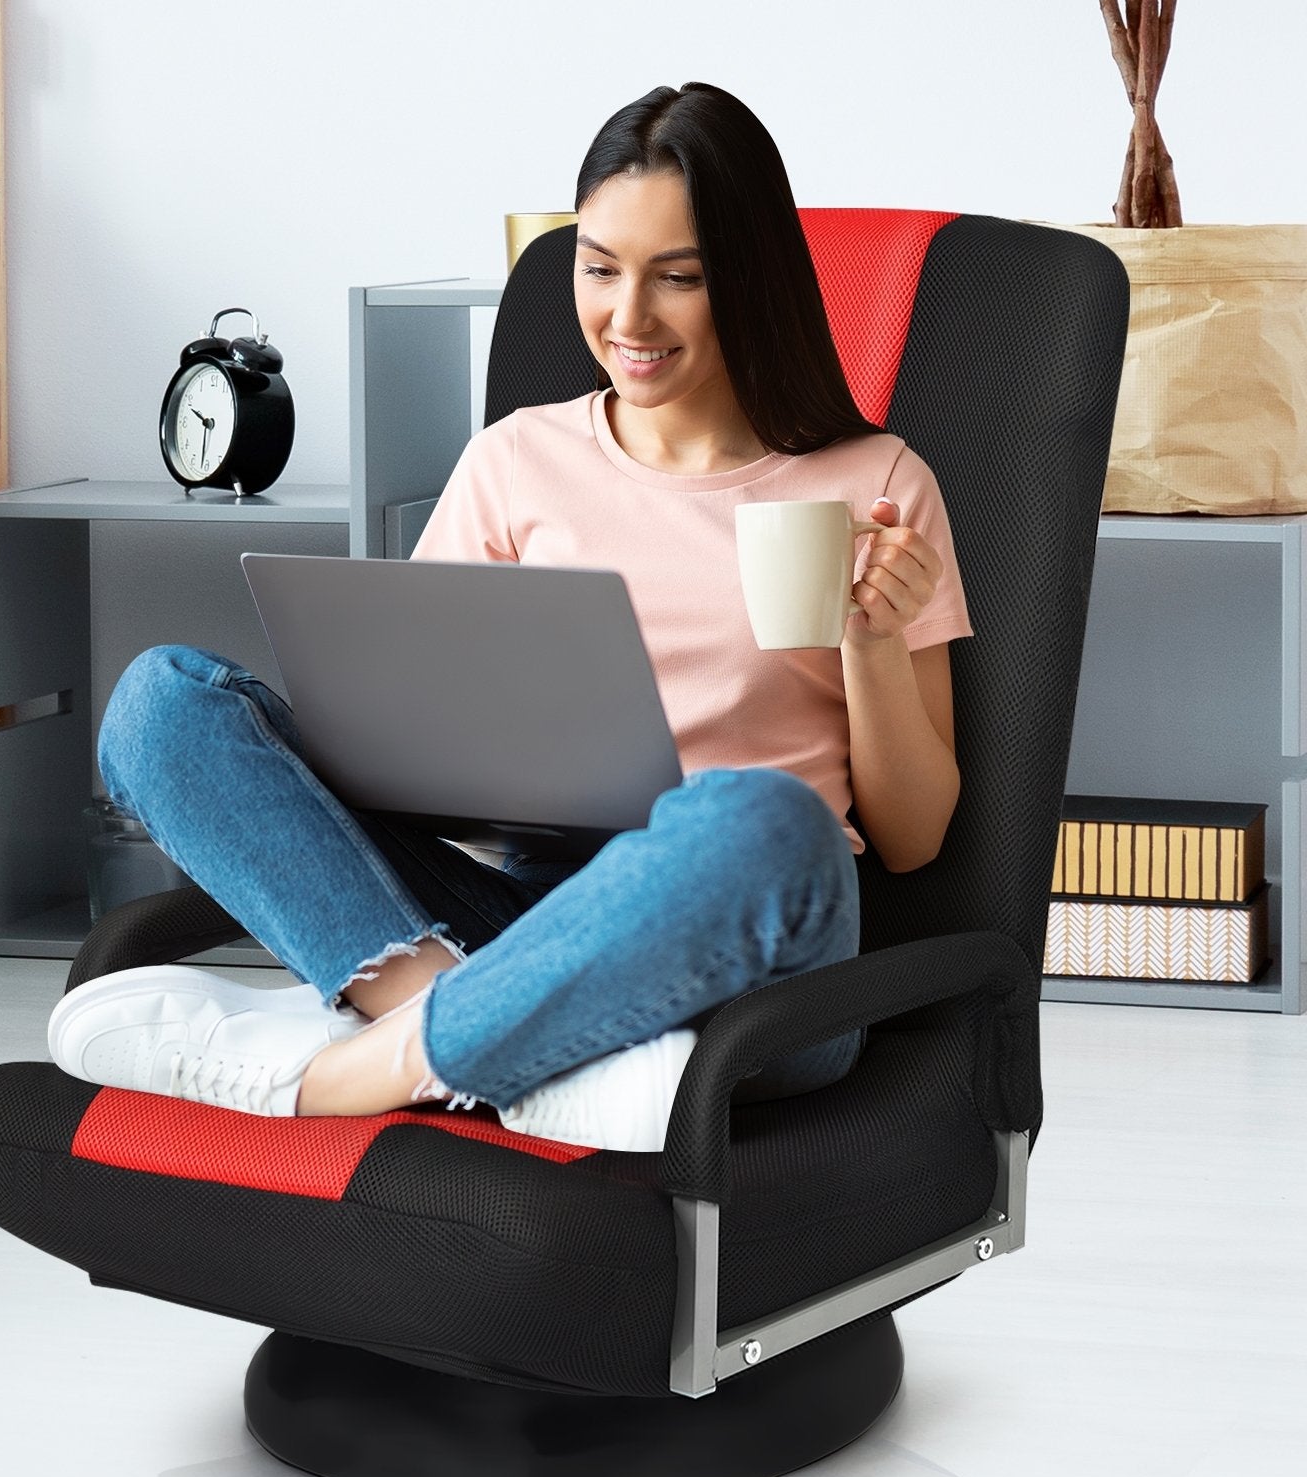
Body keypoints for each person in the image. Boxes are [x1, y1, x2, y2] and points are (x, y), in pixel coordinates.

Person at [47, 82, 972, 1150]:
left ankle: (381, 1063)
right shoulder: (515, 460)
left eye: (678, 277)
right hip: (508, 921)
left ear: (749, 278)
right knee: (161, 702)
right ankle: (504, 1044)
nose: (627, 319)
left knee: (759, 818)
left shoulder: (877, 482)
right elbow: (406, 759)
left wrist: (866, 643)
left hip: (750, 957)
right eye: (598, 269)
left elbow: (913, 839)